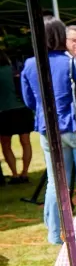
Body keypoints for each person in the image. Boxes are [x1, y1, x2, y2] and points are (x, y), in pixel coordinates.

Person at [22, 16, 76, 244]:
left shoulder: (30, 64)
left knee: (55, 182)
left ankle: (55, 234)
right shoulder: (75, 63)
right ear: (61, 37)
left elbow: (29, 101)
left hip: (48, 130)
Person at [0, 50, 33, 184]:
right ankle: (24, 173)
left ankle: (14, 174)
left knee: (6, 145)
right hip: (22, 110)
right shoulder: (15, 70)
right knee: (25, 142)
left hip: (3, 112)